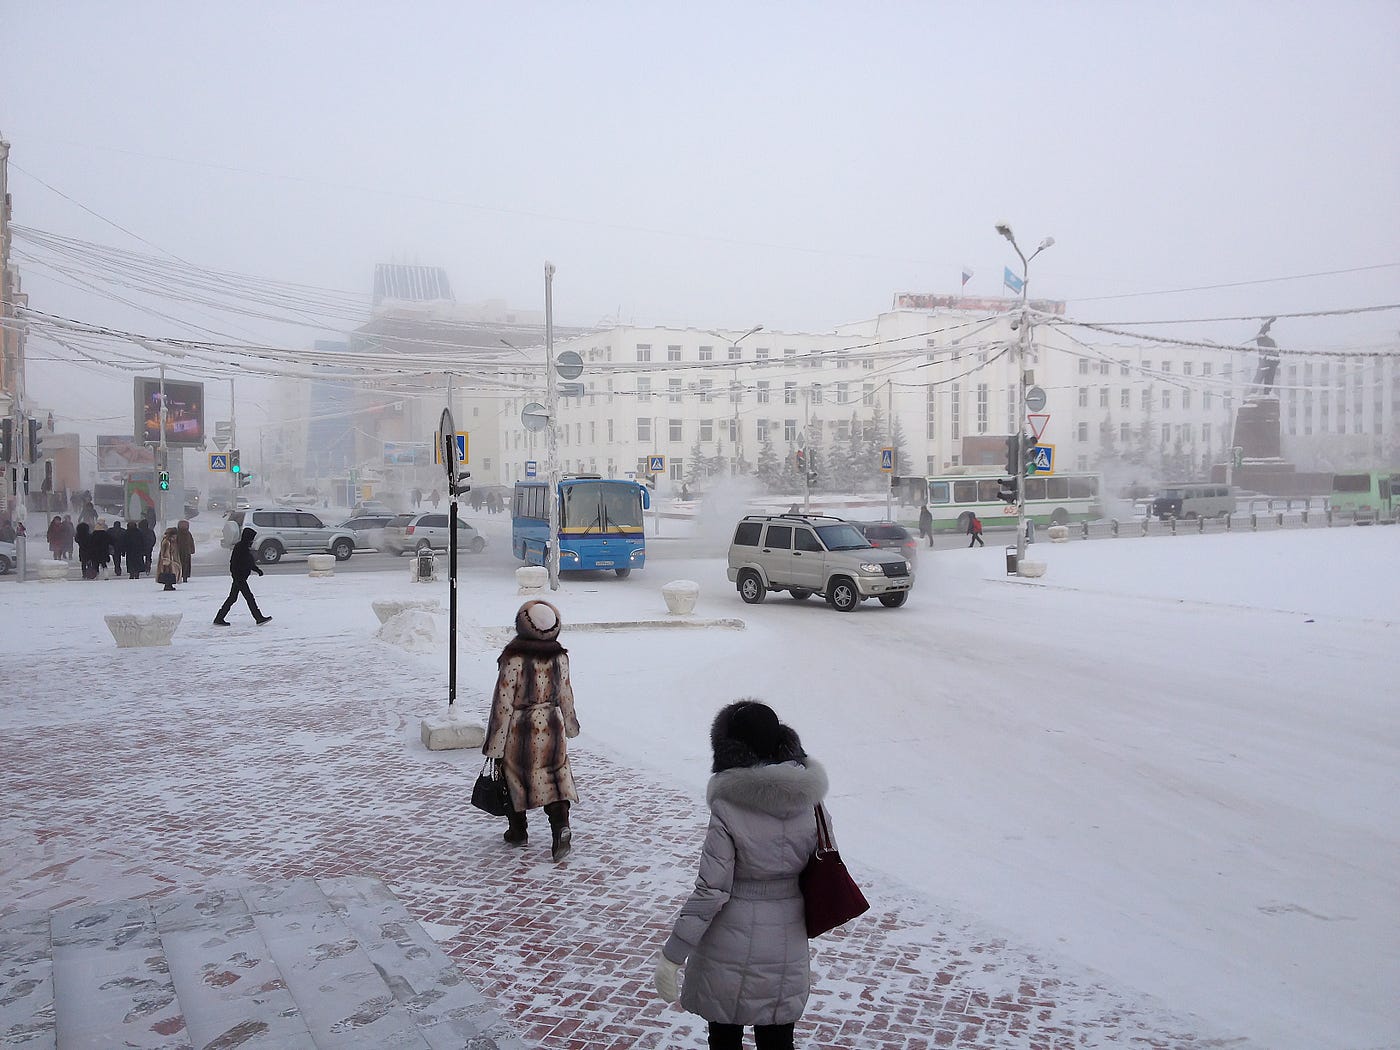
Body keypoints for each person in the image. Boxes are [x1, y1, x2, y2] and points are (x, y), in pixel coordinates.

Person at [654, 700, 827, 1050]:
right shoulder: (809, 800)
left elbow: (710, 891)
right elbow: (822, 860)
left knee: (724, 1037)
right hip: (786, 936)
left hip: (725, 946)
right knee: (778, 1039)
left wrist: (672, 955)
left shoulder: (728, 805)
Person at [483, 600, 580, 862]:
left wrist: (495, 744)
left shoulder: (513, 658)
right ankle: (560, 827)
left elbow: (503, 702)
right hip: (552, 725)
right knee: (555, 779)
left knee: (513, 777)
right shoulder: (559, 657)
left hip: (520, 727)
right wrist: (570, 725)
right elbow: (565, 694)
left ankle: (518, 830)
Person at [214, 527, 271, 626]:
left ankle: (219, 618)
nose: (252, 541)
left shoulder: (243, 547)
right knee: (249, 598)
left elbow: (249, 563)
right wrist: (237, 577)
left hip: (240, 578)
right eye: (252, 538)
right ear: (247, 537)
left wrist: (257, 570)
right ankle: (258, 618)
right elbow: (235, 563)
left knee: (232, 598)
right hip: (239, 578)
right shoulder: (241, 548)